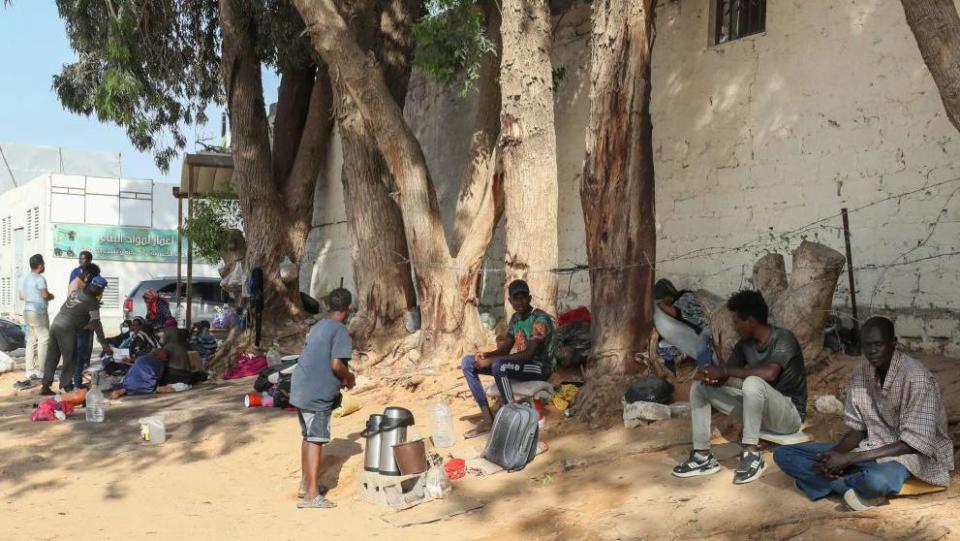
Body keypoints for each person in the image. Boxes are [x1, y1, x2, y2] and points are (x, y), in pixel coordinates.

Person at [774, 317, 954, 511]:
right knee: (784, 454)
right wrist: (836, 455)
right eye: (867, 345)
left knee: (877, 480)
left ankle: (830, 483)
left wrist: (849, 460)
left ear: (893, 343)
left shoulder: (917, 378)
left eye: (878, 344)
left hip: (909, 457)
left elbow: (913, 444)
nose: (872, 351)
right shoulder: (861, 372)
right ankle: (854, 487)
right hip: (869, 448)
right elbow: (858, 431)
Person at [672, 289, 807, 484]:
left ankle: (751, 454)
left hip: (789, 417)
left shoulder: (784, 338)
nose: (734, 327)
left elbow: (770, 373)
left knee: (752, 383)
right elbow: (725, 374)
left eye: (736, 321)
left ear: (750, 320)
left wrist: (725, 372)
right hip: (758, 413)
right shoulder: (744, 345)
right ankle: (702, 457)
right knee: (700, 388)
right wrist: (709, 374)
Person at [461, 279, 555, 439]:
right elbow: (504, 349)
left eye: (523, 297)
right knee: (468, 362)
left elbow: (529, 354)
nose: (520, 301)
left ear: (530, 298)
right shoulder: (516, 319)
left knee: (499, 366)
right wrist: (487, 355)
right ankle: (488, 419)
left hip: (540, 367)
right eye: (516, 298)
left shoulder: (540, 319)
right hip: (521, 365)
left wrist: (492, 361)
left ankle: (514, 419)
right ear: (510, 301)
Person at [290, 287, 355, 509]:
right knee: (316, 439)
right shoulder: (340, 330)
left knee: (308, 437)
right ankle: (311, 495)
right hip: (317, 394)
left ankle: (305, 484)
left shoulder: (319, 326)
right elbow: (336, 365)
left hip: (300, 387)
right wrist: (350, 377)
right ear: (348, 309)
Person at [40, 276, 113, 395]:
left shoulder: (76, 292)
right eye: (102, 289)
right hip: (66, 329)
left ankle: (45, 385)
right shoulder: (92, 302)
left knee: (52, 357)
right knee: (71, 359)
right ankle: (65, 387)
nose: (102, 292)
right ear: (98, 289)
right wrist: (104, 344)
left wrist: (82, 322)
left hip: (55, 324)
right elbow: (96, 324)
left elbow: (67, 309)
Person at [652, 278, 714, 370]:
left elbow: (676, 313)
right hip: (696, 334)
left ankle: (708, 370)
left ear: (668, 297)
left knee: (704, 358)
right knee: (662, 347)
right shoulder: (680, 301)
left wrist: (658, 305)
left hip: (707, 334)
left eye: (662, 300)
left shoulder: (685, 297)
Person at [15, 254, 54, 389]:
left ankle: (29, 370)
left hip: (27, 311)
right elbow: (44, 295)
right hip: (39, 312)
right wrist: (50, 296)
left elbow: (21, 296)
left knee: (31, 340)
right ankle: (41, 371)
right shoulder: (40, 279)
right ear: (40, 265)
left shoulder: (23, 279)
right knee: (44, 339)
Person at [69, 263, 101, 388]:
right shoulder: (76, 284)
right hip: (79, 324)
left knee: (79, 355)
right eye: (93, 277)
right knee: (78, 354)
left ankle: (75, 382)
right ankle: (75, 383)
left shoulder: (82, 284)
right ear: (88, 274)